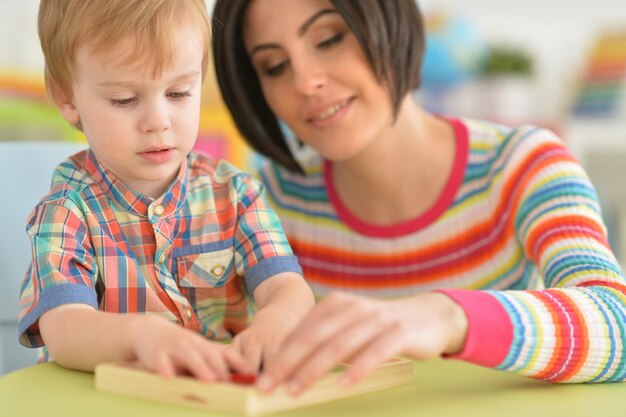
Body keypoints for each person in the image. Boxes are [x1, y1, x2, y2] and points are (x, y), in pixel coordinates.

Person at [211, 0, 626, 395]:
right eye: (274, 66)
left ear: (388, 18)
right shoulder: (263, 204)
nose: (305, 82)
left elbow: (617, 325)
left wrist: (446, 316)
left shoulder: (523, 166)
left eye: (329, 39)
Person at [17, 0, 315, 382]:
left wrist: (278, 319)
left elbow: (285, 285)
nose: (158, 122)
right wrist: (140, 336)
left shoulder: (238, 195)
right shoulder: (66, 211)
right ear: (67, 98)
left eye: (178, 93)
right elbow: (63, 329)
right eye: (124, 99)